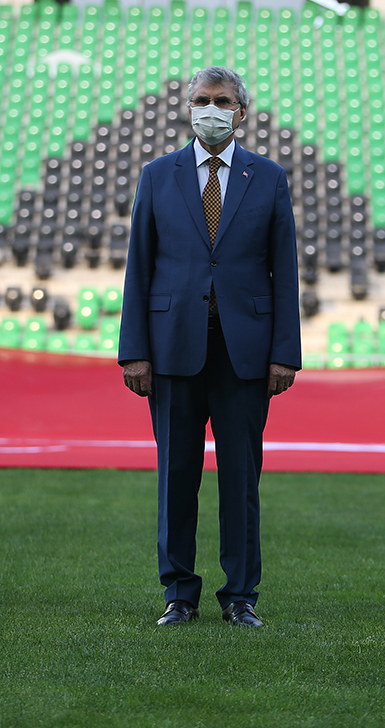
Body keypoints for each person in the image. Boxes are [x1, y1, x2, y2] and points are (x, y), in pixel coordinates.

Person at [118, 66, 302, 628]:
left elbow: (284, 268)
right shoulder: (158, 175)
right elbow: (140, 267)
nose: (211, 109)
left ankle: (240, 595)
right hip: (172, 348)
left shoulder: (268, 178)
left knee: (241, 479)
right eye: (202, 99)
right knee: (176, 475)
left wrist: (284, 352)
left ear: (241, 112)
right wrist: (134, 350)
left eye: (223, 101)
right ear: (189, 107)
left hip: (245, 350)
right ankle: (179, 593)